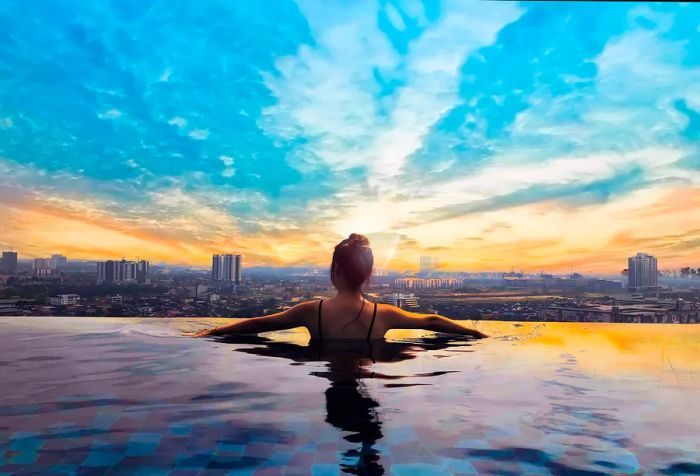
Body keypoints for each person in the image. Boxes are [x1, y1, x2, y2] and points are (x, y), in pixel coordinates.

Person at [186, 233, 488, 340]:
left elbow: (256, 325)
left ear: (334, 272)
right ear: (369, 275)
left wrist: (210, 331)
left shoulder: (311, 311)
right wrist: (475, 332)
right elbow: (432, 321)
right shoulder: (384, 314)